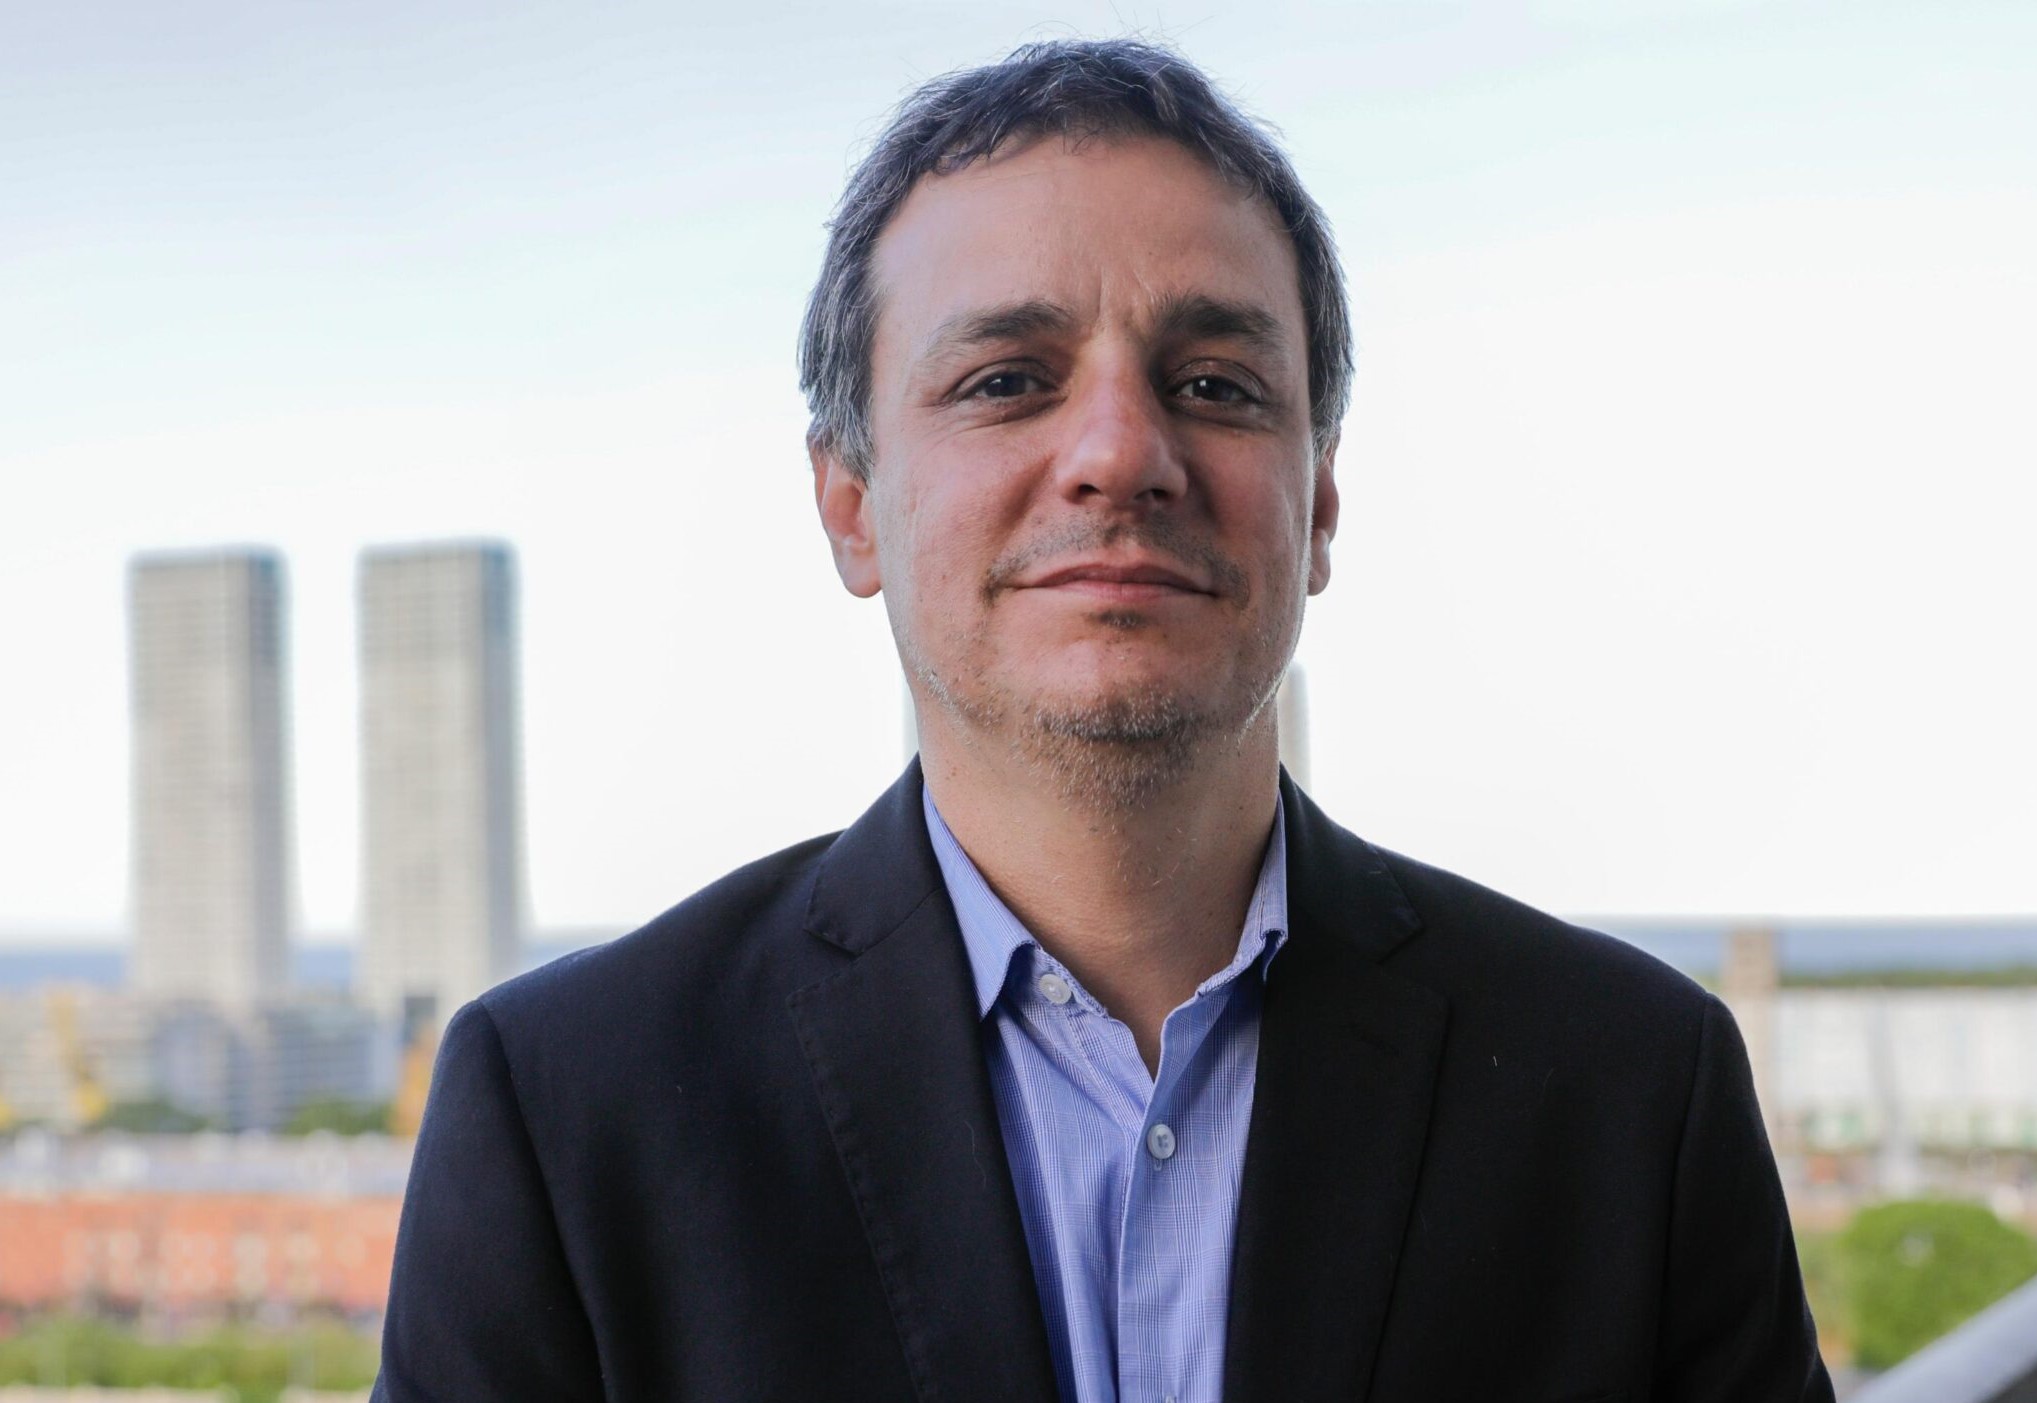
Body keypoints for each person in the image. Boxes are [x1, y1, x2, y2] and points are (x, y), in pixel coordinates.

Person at [373, 38, 1834, 1403]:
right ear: (850, 506)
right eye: (1007, 381)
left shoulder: (1632, 1092)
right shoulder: (569, 1113)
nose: (1122, 453)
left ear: (1319, 504)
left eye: (1214, 385)